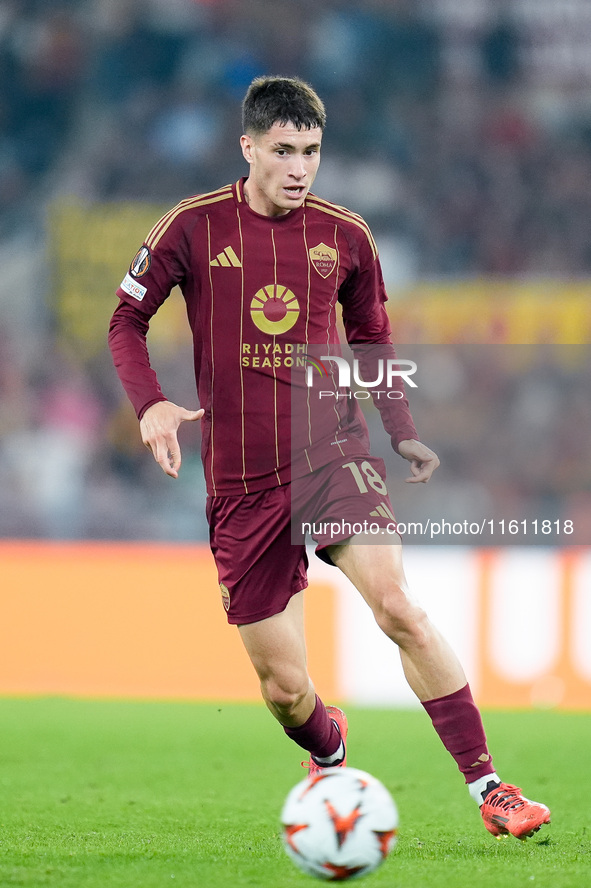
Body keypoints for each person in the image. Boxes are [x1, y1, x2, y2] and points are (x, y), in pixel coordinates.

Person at [108, 75, 550, 841]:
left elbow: (373, 338)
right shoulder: (191, 227)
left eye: (310, 151)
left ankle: (489, 787)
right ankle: (329, 746)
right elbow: (126, 318)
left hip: (329, 456)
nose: (298, 167)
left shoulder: (345, 236)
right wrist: (150, 404)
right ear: (247, 148)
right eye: (282, 151)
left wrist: (401, 426)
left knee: (399, 608)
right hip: (242, 482)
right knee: (285, 692)